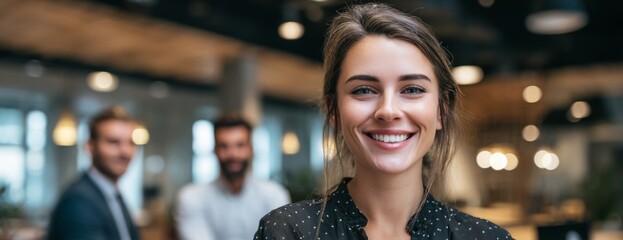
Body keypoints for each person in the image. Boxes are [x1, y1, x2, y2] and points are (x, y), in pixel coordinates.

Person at [254, 3, 513, 240]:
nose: (388, 111)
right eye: (363, 90)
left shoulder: (487, 237)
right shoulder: (288, 232)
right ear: (334, 109)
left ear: (441, 110)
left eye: (412, 89)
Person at [175, 114, 291, 240]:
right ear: (215, 150)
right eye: (224, 146)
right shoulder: (191, 197)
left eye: (240, 145)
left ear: (251, 149)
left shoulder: (275, 195)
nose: (233, 154)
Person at [47, 106, 140, 240]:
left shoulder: (113, 194)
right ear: (90, 147)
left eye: (131, 143)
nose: (125, 151)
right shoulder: (78, 201)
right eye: (113, 142)